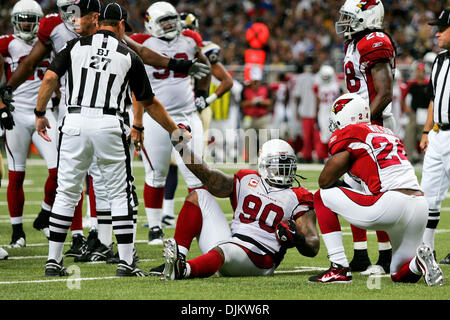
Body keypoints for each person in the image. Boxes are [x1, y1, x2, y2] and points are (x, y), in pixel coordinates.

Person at [35, 2, 190, 277]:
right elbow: (148, 102)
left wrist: (40, 113)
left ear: (97, 21)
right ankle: (126, 262)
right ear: (120, 25)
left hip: (73, 122)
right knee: (119, 193)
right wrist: (173, 129)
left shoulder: (74, 46)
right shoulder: (127, 54)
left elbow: (49, 79)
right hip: (109, 123)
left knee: (67, 192)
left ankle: (52, 261)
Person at [309, 93, 443, 286]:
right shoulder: (386, 132)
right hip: (419, 205)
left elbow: (324, 180)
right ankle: (418, 262)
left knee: (321, 196)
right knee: (399, 274)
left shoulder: (352, 132)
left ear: (346, 115)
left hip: (391, 203)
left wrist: (339, 182)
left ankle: (338, 268)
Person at [158, 139, 320, 280]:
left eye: (287, 164)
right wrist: (182, 147)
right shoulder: (246, 179)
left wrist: (296, 238)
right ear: (265, 164)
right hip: (231, 244)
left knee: (226, 249)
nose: (284, 169)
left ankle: (184, 270)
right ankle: (177, 258)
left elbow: (313, 245)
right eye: (278, 164)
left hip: (260, 259)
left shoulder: (299, 197)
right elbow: (207, 176)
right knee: (198, 195)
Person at [126, 1, 211, 245]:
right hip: (156, 119)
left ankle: (200, 224)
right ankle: (154, 227)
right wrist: (138, 120)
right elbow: (137, 86)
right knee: (156, 174)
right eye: (165, 21)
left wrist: (203, 94)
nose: (171, 25)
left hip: (187, 116)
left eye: (173, 20)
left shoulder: (190, 38)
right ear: (152, 23)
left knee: (196, 175)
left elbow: (205, 66)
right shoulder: (142, 42)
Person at [335, 0, 396, 273]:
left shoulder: (374, 40)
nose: (345, 22)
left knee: (376, 190)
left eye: (350, 17)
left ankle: (386, 255)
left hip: (374, 122)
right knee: (352, 188)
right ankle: (360, 255)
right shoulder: (353, 42)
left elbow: (384, 93)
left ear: (366, 16)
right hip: (358, 123)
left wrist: (364, 123)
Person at [161, 11, 234, 227]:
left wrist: (208, 100)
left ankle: (201, 209)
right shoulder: (165, 47)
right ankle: (166, 213)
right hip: (173, 110)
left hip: (195, 111)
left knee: (192, 160)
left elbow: (227, 80)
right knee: (169, 162)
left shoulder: (203, 49)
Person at [0, 0, 58, 247]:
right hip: (17, 112)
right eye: (22, 19)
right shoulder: (5, 44)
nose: (26, 24)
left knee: (59, 170)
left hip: (43, 113)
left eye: (31, 20)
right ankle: (16, 231)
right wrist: (2, 107)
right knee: (16, 174)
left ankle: (44, 215)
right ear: (14, 20)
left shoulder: (50, 42)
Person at [420, 8, 450, 265]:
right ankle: (427, 249)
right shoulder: (439, 61)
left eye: (442, 28)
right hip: (439, 134)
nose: (437, 32)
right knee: (427, 194)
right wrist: (426, 130)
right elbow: (433, 98)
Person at [240, 66, 273, 164]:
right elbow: (242, 104)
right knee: (249, 140)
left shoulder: (265, 88)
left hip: (262, 118)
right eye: (254, 81)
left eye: (257, 81)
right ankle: (251, 160)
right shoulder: (245, 88)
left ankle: (264, 159)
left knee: (265, 140)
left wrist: (260, 102)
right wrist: (252, 102)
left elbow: (269, 102)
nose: (255, 83)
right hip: (249, 118)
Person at [313, 65, 341, 163]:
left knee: (332, 134)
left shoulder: (335, 86)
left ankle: (331, 155)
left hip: (330, 112)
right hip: (327, 112)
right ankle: (327, 155)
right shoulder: (336, 85)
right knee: (326, 135)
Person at [403, 61, 430, 164]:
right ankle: (408, 158)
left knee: (425, 135)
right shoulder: (411, 84)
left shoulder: (428, 83)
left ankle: (425, 158)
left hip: (426, 113)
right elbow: (403, 96)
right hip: (414, 114)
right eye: (418, 70)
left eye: (422, 70)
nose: (420, 72)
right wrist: (405, 107)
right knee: (410, 135)